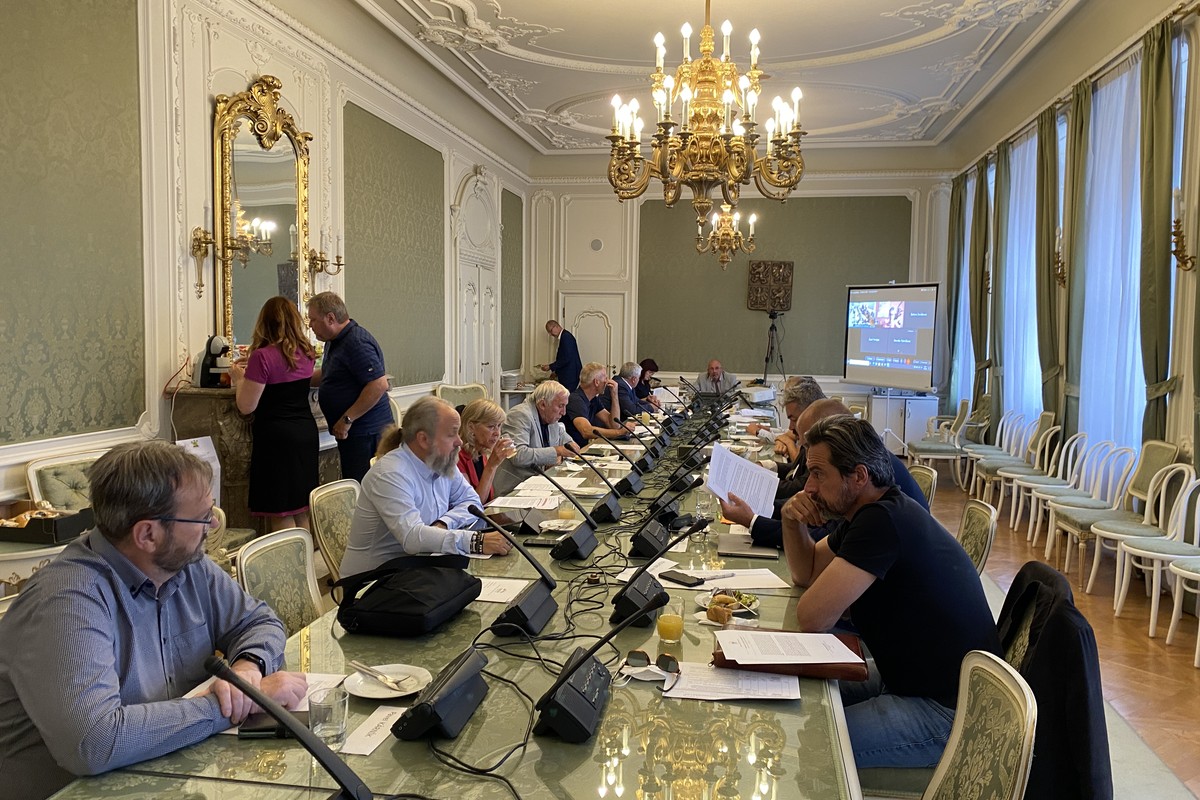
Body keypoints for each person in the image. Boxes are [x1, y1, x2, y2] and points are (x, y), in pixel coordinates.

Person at [0, 441, 307, 799]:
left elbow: (258, 622)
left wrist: (247, 669)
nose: (212, 525)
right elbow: (95, 742)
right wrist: (238, 703)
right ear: (147, 534)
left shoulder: (187, 565)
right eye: (202, 517)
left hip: (171, 775)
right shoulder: (67, 600)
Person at [780, 415, 1000, 769]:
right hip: (907, 678)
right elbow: (806, 572)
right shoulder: (870, 511)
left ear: (859, 476)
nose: (809, 488)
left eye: (819, 474)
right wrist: (791, 521)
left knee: (811, 743)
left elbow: (812, 619)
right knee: (792, 689)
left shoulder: (881, 522)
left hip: (946, 712)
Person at [339, 396, 512, 576]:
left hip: (421, 567)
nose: (459, 441)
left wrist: (443, 524)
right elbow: (412, 538)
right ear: (423, 439)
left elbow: (472, 501)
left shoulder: (443, 462)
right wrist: (475, 541)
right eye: (451, 434)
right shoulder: (391, 474)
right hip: (375, 580)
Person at [722, 398, 929, 548]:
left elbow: (819, 536)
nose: (809, 487)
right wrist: (773, 510)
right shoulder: (855, 462)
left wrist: (753, 520)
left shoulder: (876, 506)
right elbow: (810, 567)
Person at [229, 296, 320, 532]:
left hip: (277, 439)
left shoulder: (262, 356)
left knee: (280, 510)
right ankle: (305, 554)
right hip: (305, 433)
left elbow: (246, 406)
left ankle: (287, 557)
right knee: (299, 508)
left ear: (265, 322)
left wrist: (239, 378)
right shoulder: (307, 352)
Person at [306, 291, 394, 483]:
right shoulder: (334, 341)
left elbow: (378, 384)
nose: (310, 325)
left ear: (330, 318)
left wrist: (347, 419)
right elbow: (328, 373)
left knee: (363, 487)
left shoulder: (356, 342)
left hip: (367, 434)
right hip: (356, 434)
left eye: (313, 320)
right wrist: (295, 380)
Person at [494, 381, 579, 496]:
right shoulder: (520, 415)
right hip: (514, 490)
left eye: (565, 406)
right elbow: (518, 455)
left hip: (539, 486)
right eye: (560, 406)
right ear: (543, 404)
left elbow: (566, 440)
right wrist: (557, 452)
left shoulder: (550, 416)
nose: (564, 412)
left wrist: (569, 447)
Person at [456, 398, 516, 503]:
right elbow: (473, 504)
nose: (497, 433)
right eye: (491, 427)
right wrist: (491, 466)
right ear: (471, 427)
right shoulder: (457, 457)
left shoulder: (481, 451)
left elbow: (489, 497)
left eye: (499, 425)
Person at [565, 362, 635, 447]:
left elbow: (613, 425)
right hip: (575, 450)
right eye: (605, 378)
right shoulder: (575, 400)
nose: (608, 381)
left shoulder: (593, 399)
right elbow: (586, 431)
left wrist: (614, 395)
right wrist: (619, 433)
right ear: (596, 382)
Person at [535, 320, 582, 393]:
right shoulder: (565, 336)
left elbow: (566, 358)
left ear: (556, 326)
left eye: (550, 331)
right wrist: (556, 372)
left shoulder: (566, 337)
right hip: (570, 374)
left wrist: (550, 366)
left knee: (567, 397)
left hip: (570, 376)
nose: (550, 334)